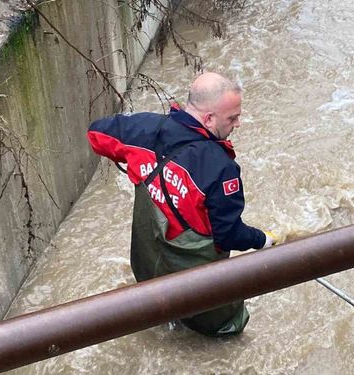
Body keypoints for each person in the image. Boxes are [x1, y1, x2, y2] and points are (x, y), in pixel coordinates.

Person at [87, 72, 276, 336]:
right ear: (209, 119)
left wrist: (136, 163)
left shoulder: (144, 129)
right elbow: (228, 235)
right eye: (232, 118)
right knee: (228, 331)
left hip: (149, 263)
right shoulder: (221, 169)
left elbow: (95, 132)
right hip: (195, 281)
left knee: (153, 309)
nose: (238, 124)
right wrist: (262, 240)